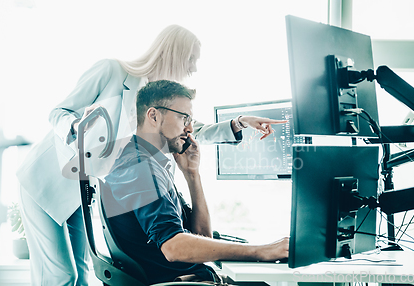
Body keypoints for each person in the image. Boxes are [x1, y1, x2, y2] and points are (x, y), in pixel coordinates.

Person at [16, 24, 286, 285]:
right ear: (173, 53)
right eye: (191, 59)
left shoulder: (155, 100)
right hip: (47, 180)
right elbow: (58, 113)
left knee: (82, 273)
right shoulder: (112, 71)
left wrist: (239, 122)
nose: (193, 67)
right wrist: (77, 126)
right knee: (61, 276)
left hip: (80, 188)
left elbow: (190, 129)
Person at [104, 80, 289, 285]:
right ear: (153, 116)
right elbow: (174, 247)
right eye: (184, 118)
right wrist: (262, 251)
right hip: (182, 281)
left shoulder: (145, 161)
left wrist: (192, 175)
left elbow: (202, 236)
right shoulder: (140, 168)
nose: (190, 128)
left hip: (189, 278)